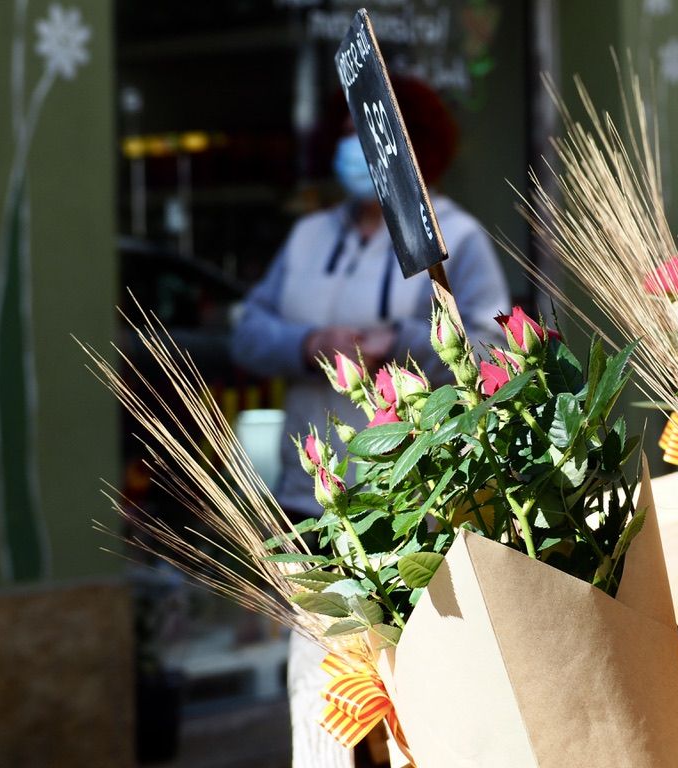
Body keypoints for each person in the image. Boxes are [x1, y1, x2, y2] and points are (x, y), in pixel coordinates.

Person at [230, 74, 510, 766]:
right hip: (312, 499)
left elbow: (493, 345)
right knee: (319, 679)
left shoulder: (457, 238)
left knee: (421, 681)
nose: (356, 148)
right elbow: (245, 333)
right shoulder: (306, 238)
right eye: (346, 134)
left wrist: (399, 343)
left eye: (372, 135)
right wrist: (304, 344)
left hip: (412, 501)